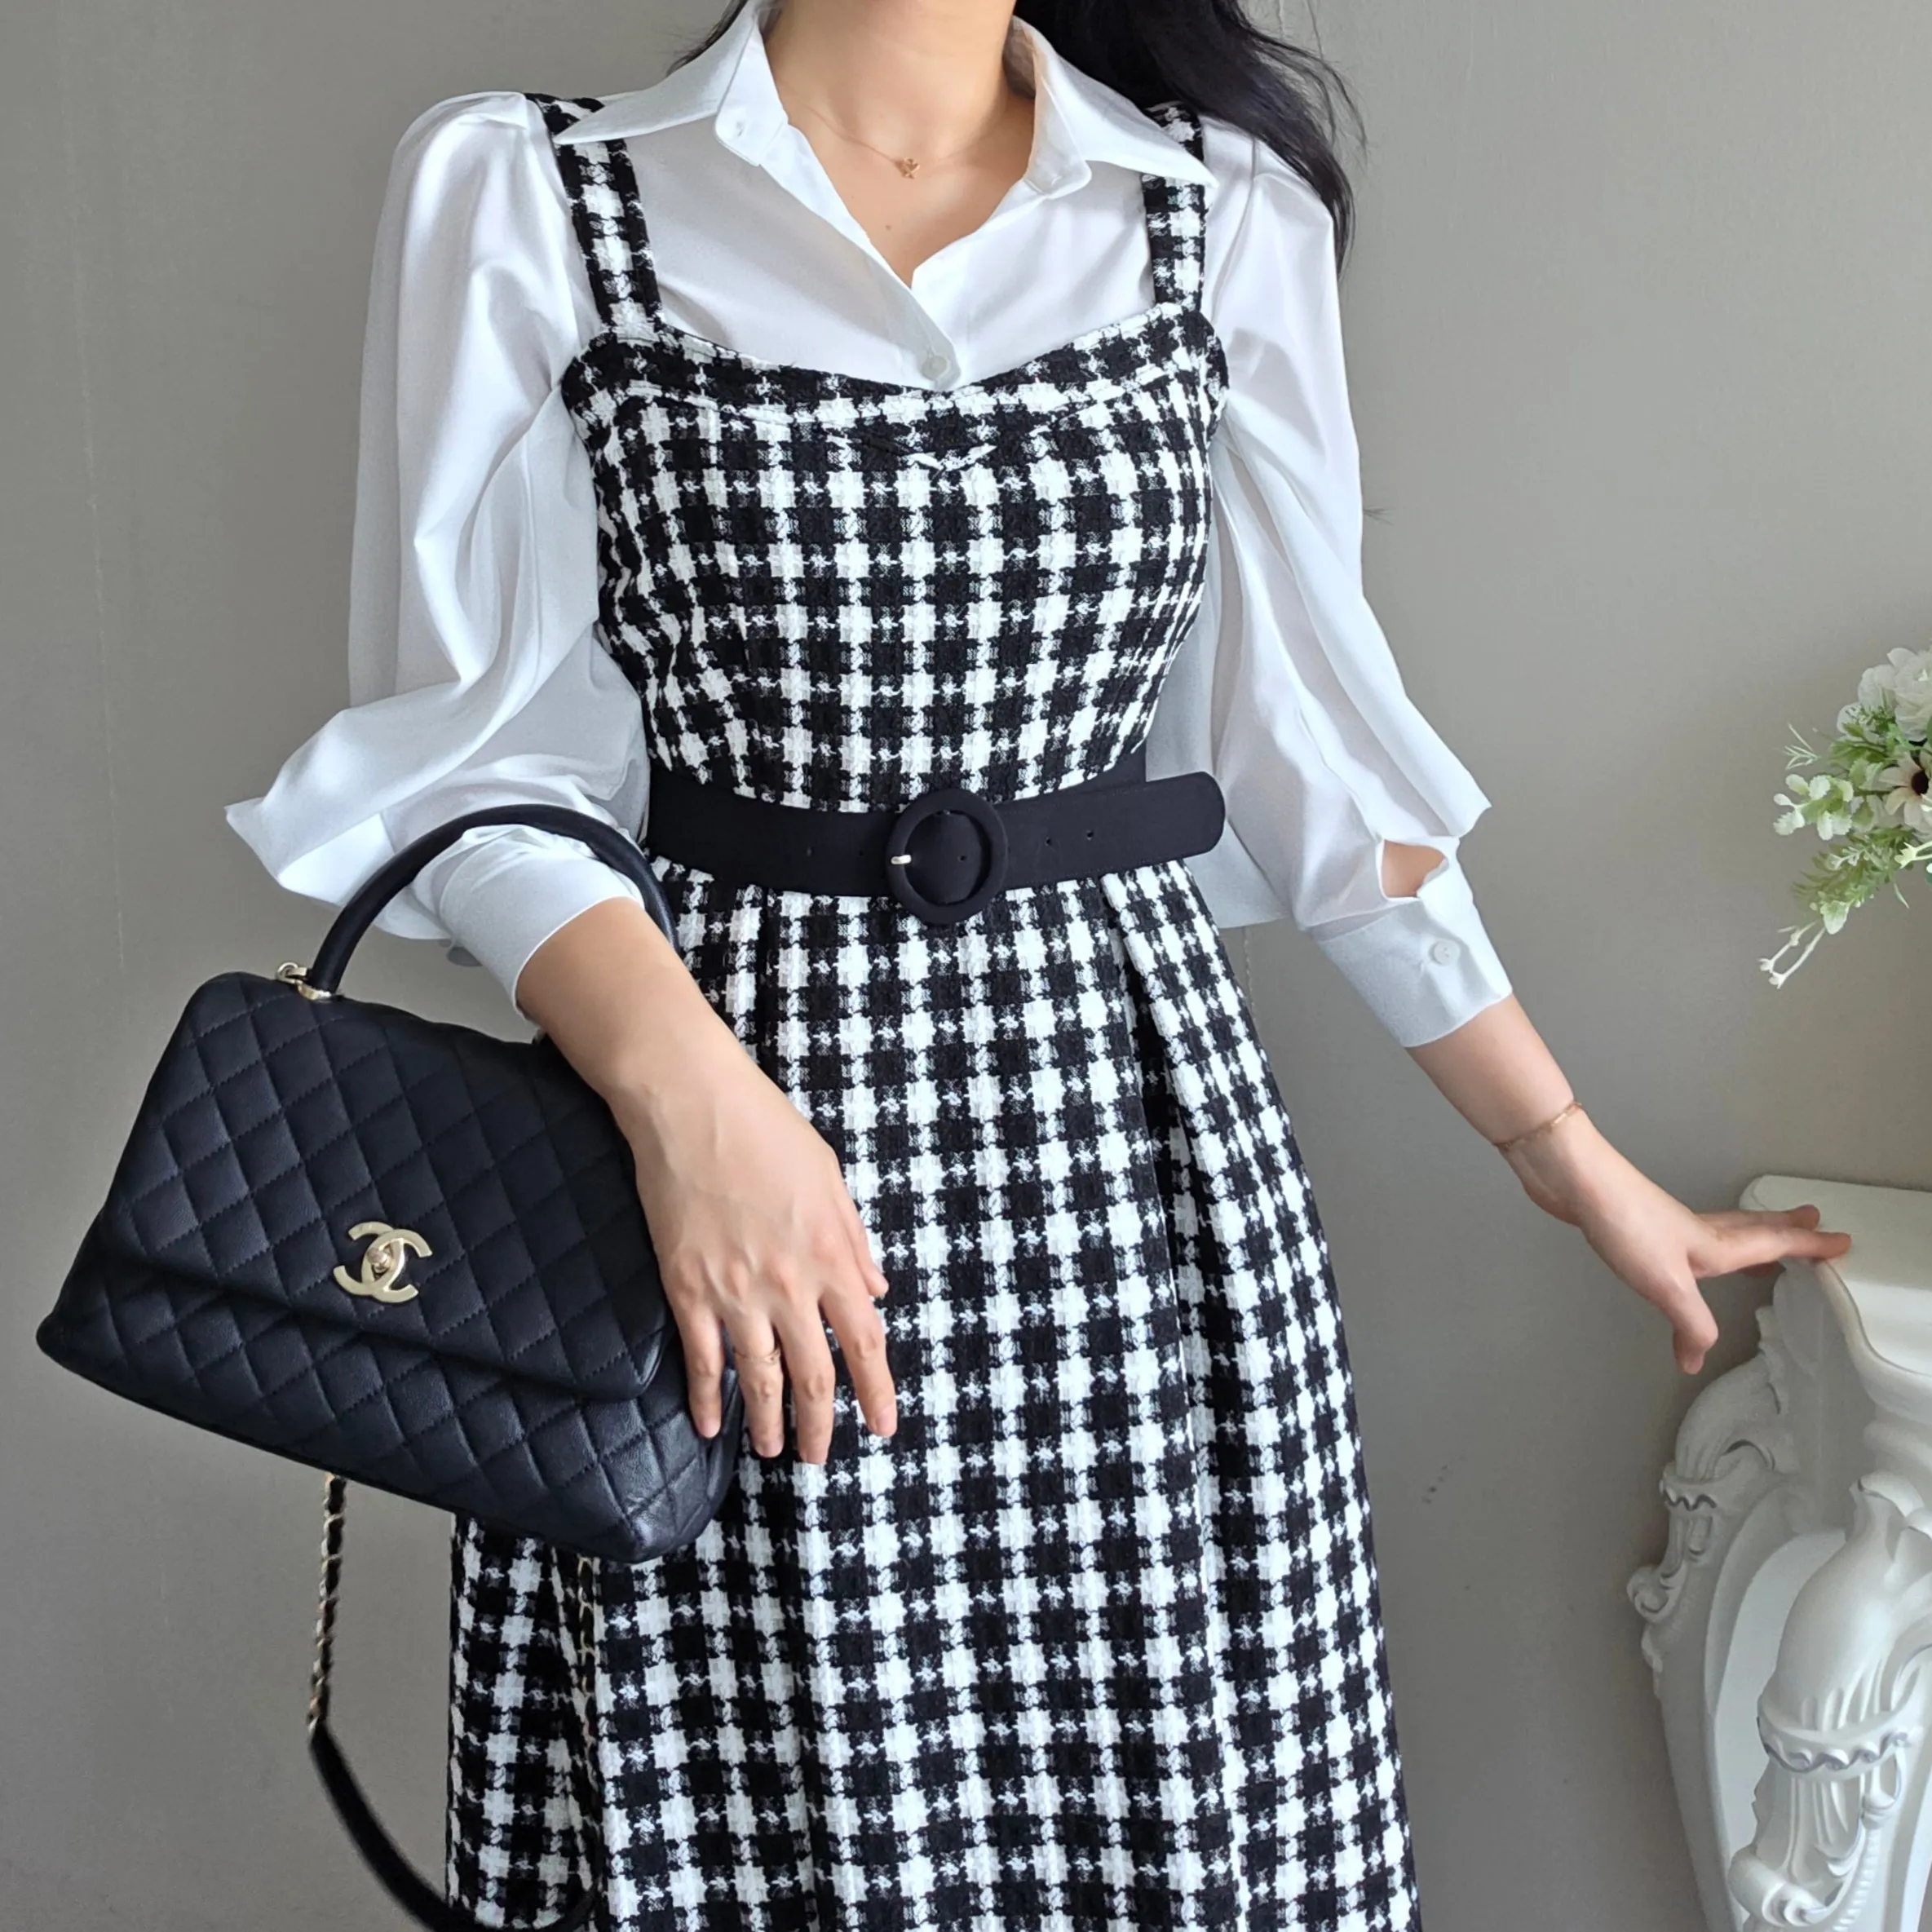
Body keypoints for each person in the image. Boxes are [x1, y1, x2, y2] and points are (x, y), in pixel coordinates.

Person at [223, 1, 1851, 1925]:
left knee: (1155, 1817)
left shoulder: (1216, 208)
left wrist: (1561, 1150)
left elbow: (1310, 763)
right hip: (723, 1168)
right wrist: (693, 1108)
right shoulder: (530, 191)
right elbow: (477, 771)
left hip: (1128, 1165)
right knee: (776, 1815)